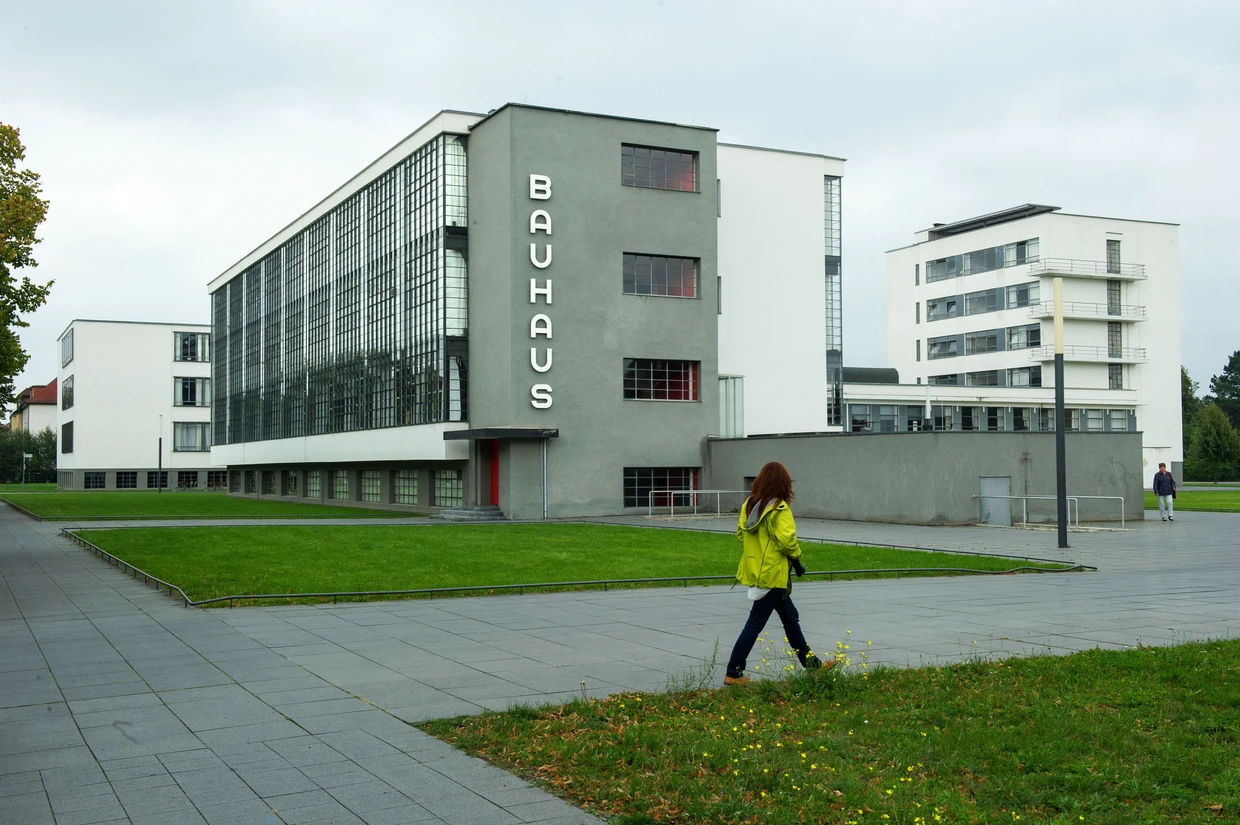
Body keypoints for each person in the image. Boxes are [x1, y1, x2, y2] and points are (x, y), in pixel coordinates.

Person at [723, 461, 831, 686]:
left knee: (790, 618)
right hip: (773, 574)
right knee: (755, 623)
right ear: (783, 483)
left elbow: (741, 535)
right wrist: (797, 556)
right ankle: (733, 672)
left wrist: (758, 551)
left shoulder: (749, 506)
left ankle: (813, 666)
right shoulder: (779, 507)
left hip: (759, 571)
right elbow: (787, 540)